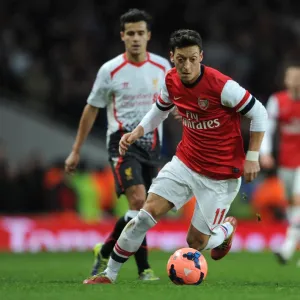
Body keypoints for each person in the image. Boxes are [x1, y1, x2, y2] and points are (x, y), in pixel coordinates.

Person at [83, 29, 268, 284]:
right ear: (172, 57)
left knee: (195, 242)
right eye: (181, 59)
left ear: (201, 56)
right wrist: (138, 131)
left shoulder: (222, 86)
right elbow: (160, 109)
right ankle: (109, 274)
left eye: (193, 58)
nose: (187, 65)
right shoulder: (171, 80)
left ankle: (226, 229)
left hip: (220, 175)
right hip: (185, 163)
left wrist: (253, 156)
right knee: (144, 216)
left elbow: (259, 113)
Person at [65, 9, 172, 281]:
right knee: (138, 201)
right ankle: (144, 269)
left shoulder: (163, 67)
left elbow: (173, 104)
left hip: (152, 146)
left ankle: (106, 248)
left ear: (148, 36)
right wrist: (76, 150)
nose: (136, 38)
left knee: (144, 209)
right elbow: (91, 109)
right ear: (122, 36)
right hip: (122, 144)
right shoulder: (110, 70)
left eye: (140, 33)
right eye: (131, 33)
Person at [260, 53, 300, 265]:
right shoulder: (278, 101)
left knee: (298, 201)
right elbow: (268, 128)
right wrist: (265, 152)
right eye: (291, 77)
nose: (295, 81)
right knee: (293, 207)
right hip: (286, 161)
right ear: (286, 80)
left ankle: (286, 249)